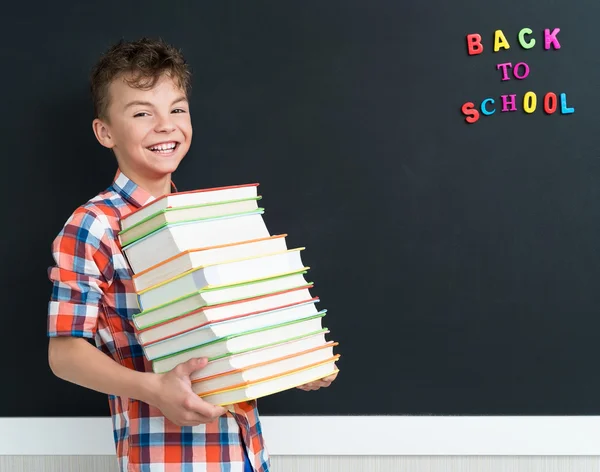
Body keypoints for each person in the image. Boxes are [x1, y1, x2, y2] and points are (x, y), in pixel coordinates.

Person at [46, 37, 338, 472]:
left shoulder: (210, 220)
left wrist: (297, 363)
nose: (166, 126)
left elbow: (241, 330)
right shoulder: (94, 224)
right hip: (166, 457)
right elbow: (65, 353)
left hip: (246, 452)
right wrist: (154, 389)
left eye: (177, 109)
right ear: (105, 131)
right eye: (143, 113)